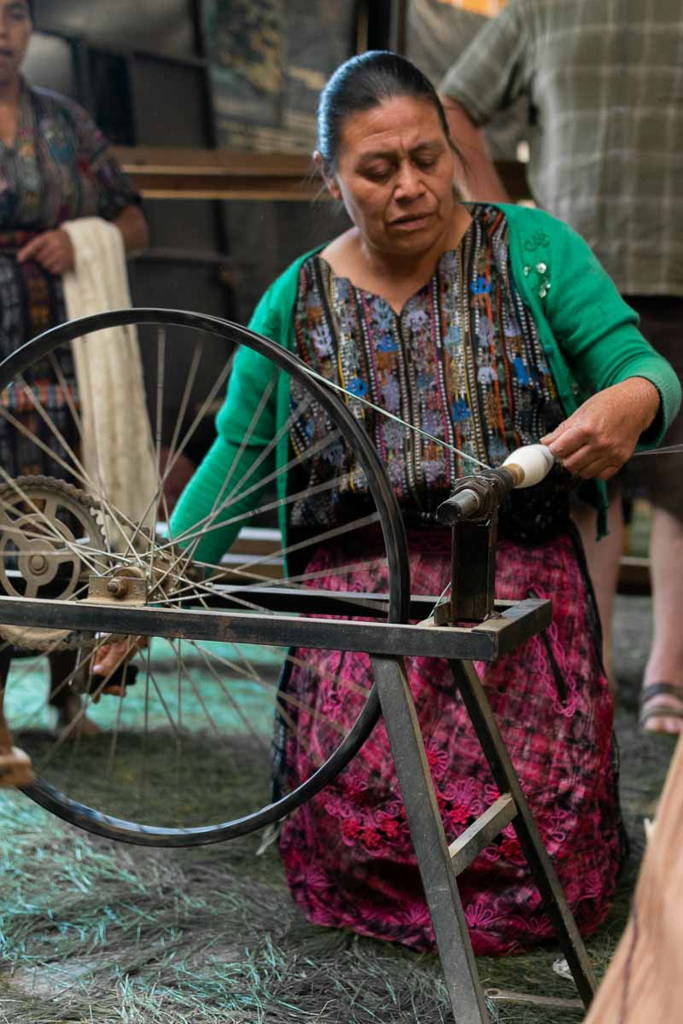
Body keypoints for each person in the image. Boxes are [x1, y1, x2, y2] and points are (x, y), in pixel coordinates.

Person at [167, 52, 680, 955]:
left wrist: (631, 401)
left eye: (428, 158)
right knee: (374, 813)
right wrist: (158, 587)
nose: (411, 187)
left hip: (515, 589)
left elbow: (644, 369)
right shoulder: (295, 302)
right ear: (330, 177)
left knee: (530, 831)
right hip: (356, 603)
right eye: (377, 168)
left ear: (452, 151)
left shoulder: (535, 254)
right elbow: (233, 466)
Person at [438, 0, 683, 733]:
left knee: (682, 489)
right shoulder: (542, 7)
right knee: (576, 480)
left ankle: (668, 674)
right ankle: (588, 670)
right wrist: (498, 214)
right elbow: (450, 105)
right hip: (569, 279)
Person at [0, 0, 148, 732]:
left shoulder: (64, 124)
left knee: (63, 509)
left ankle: (66, 695)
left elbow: (134, 218)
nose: (2, 28)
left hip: (59, 350)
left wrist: (79, 238)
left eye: (15, 13)